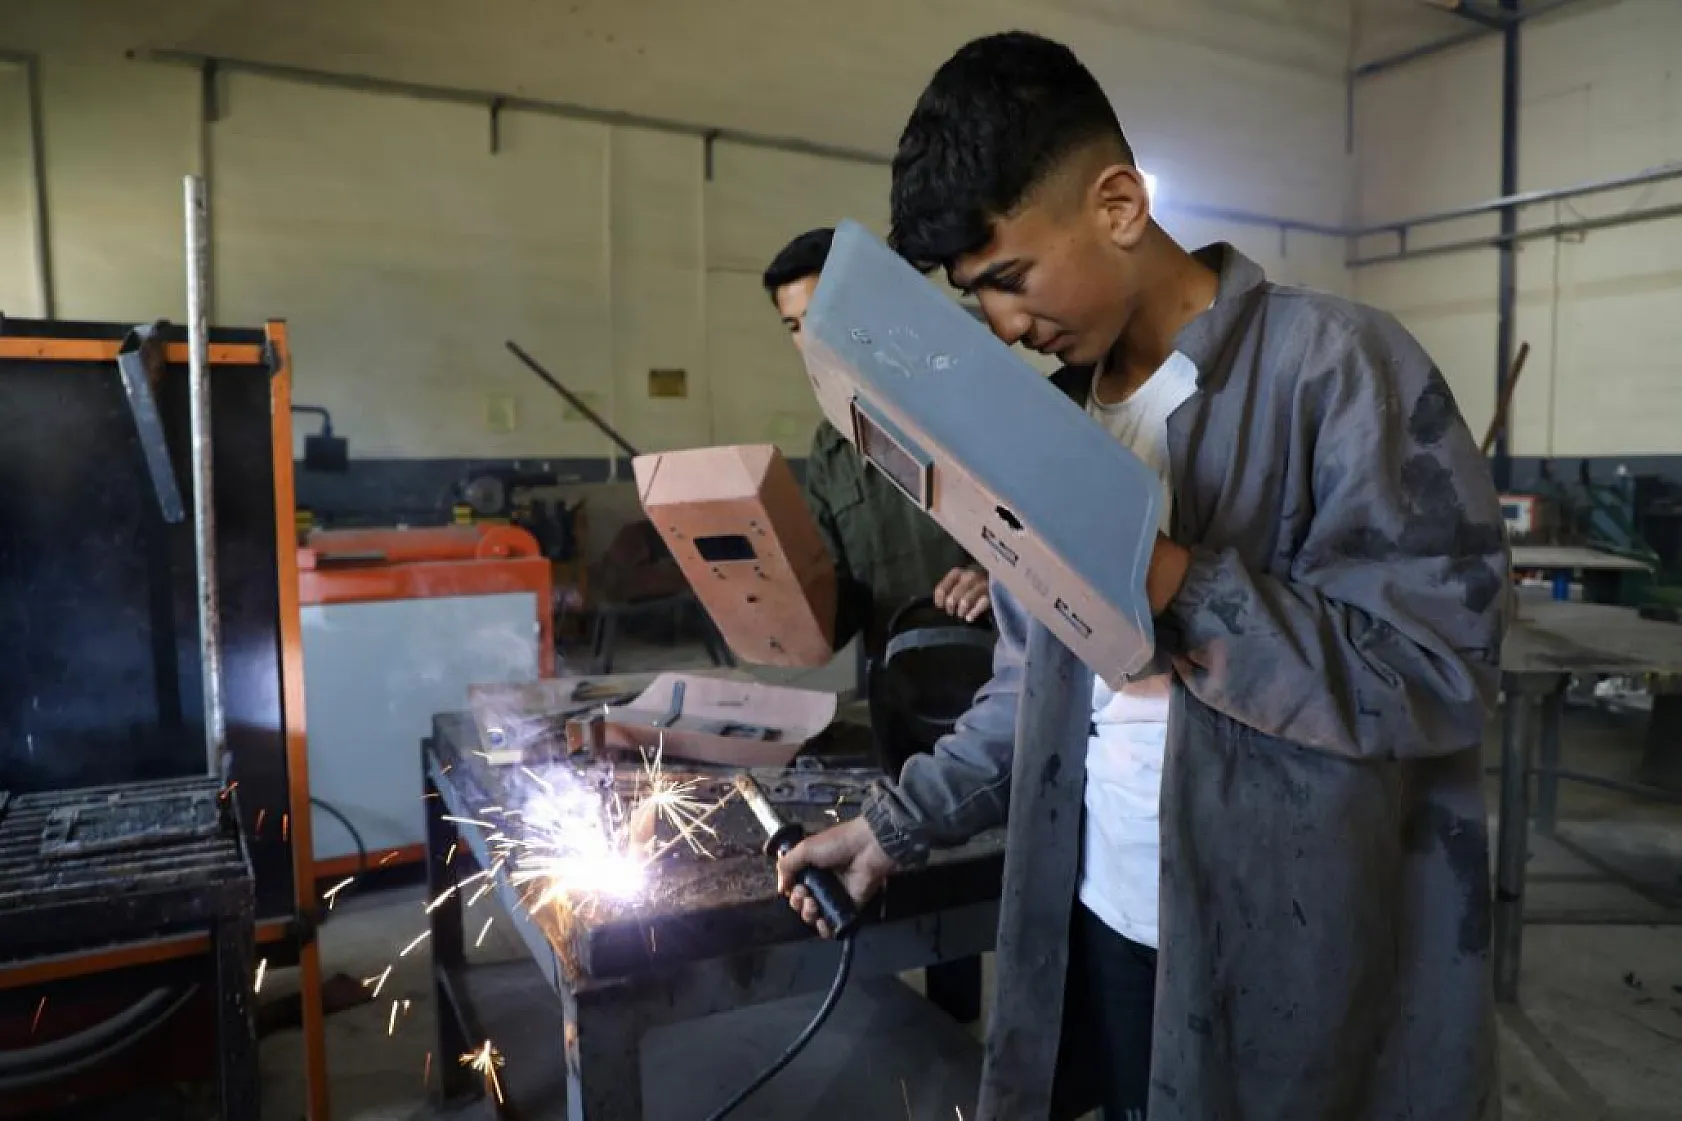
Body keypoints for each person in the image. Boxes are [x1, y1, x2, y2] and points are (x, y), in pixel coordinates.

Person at [778, 31, 1508, 1121]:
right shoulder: (1053, 423)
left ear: (1117, 203)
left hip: (1289, 957)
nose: (1005, 327)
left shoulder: (1338, 368)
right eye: (977, 298)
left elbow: (1435, 670)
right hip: (1102, 923)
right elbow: (1032, 690)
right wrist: (893, 825)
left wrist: (1165, 575)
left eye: (1009, 280)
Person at [763, 228, 992, 1024]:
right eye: (794, 327)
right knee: (908, 895)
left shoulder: (974, 411)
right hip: (898, 712)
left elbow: (1059, 536)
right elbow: (833, 614)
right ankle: (936, 1045)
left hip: (1000, 709)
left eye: (823, 313)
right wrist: (765, 589)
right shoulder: (829, 456)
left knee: (1018, 901)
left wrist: (1002, 576)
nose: (810, 340)